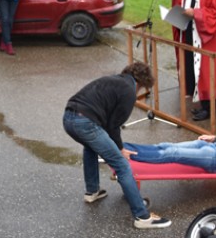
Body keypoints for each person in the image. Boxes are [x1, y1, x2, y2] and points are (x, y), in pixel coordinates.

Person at [63, 61, 172, 229]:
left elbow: (107, 123)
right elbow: (113, 125)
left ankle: (92, 192)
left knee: (90, 147)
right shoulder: (129, 91)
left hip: (69, 118)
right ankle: (142, 216)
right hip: (85, 122)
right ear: (142, 83)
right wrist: (120, 149)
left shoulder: (114, 80)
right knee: (122, 166)